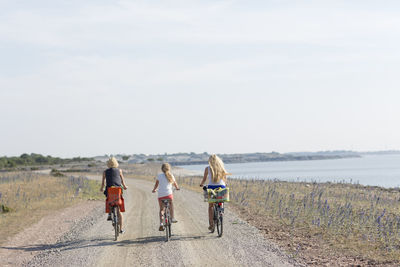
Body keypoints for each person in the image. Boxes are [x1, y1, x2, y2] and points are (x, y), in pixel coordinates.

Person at [200, 154, 229, 231]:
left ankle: (211, 224)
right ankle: (221, 212)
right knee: (220, 201)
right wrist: (225, 184)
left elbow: (204, 179)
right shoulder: (221, 168)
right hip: (221, 187)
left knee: (211, 206)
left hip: (211, 188)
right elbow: (225, 179)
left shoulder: (207, 168)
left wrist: (201, 184)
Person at [100, 157, 128, 233]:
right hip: (118, 190)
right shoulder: (119, 170)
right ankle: (121, 229)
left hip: (109, 190)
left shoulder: (105, 172)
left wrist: (101, 188)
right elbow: (122, 181)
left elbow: (103, 183)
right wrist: (125, 187)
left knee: (108, 199)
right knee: (119, 210)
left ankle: (109, 213)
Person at [152, 163, 180, 231]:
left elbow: (156, 185)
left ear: (162, 169)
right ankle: (172, 218)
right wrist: (177, 188)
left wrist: (154, 189)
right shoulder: (171, 175)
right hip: (169, 194)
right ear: (169, 168)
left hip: (161, 195)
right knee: (171, 205)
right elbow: (175, 184)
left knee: (162, 209)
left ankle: (161, 223)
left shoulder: (159, 176)